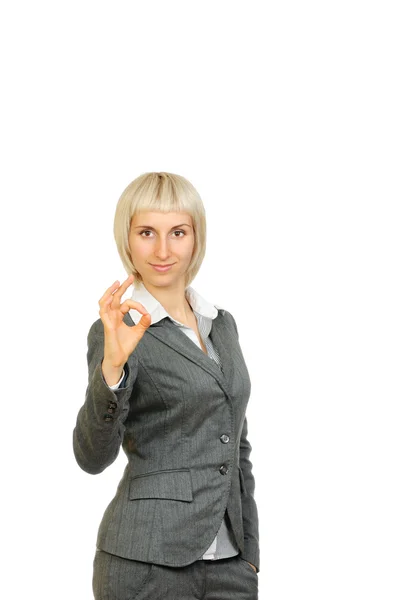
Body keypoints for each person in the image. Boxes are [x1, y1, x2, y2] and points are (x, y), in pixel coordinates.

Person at [73, 172, 260, 599]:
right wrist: (113, 368)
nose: (162, 250)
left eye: (177, 232)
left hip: (231, 567)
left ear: (196, 237)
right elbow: (91, 456)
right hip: (146, 562)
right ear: (128, 238)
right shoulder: (116, 329)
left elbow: (238, 447)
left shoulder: (222, 325)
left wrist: (250, 551)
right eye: (146, 232)